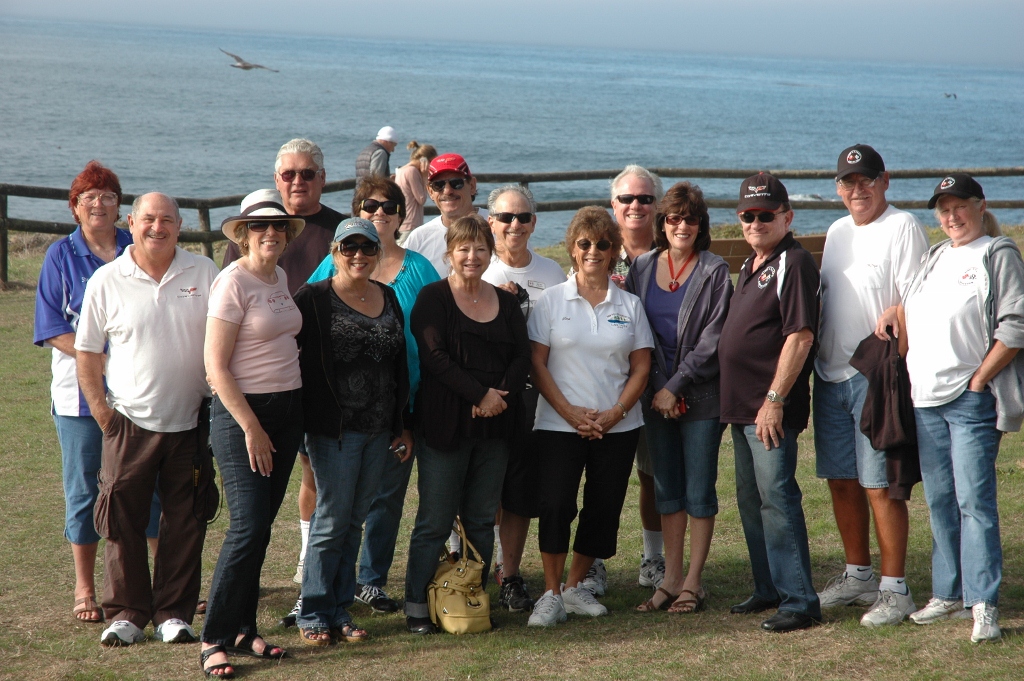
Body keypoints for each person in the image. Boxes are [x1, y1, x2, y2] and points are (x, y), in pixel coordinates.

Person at [75, 192, 219, 646]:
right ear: (131, 222)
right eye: (148, 220)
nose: (158, 228)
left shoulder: (205, 271)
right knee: (121, 521)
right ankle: (128, 613)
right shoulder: (107, 279)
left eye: (167, 221)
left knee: (186, 520)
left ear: (180, 226)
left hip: (192, 422)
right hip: (129, 423)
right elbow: (87, 352)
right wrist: (104, 415)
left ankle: (173, 613)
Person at [896, 174, 1022, 643]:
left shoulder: (997, 253)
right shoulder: (935, 255)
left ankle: (983, 602)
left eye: (958, 207)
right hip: (925, 400)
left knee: (975, 502)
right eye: (942, 209)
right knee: (940, 500)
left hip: (969, 400)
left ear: (978, 205)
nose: (951, 217)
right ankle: (948, 594)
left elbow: (1016, 323)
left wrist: (981, 378)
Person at [33, 161, 160, 624]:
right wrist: (101, 359)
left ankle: (162, 581)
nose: (99, 204)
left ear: (121, 208)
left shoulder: (137, 247)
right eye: (90, 197)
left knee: (150, 487)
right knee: (85, 490)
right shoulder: (60, 256)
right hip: (79, 397)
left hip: (142, 392)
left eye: (108, 196)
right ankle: (85, 586)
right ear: (75, 207)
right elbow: (50, 328)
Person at [305, 177, 439, 615]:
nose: (378, 212)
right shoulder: (322, 284)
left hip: (396, 411)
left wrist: (408, 414)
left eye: (388, 206)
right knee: (334, 516)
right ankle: (317, 605)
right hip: (337, 422)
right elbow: (292, 336)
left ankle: (360, 590)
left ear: (402, 217)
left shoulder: (407, 278)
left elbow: (424, 341)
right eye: (369, 205)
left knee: (372, 507)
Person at [813, 144, 929, 627]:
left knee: (880, 485)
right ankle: (858, 573)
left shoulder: (903, 227)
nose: (856, 189)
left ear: (885, 181)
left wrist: (897, 325)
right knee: (841, 480)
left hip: (874, 375)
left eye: (865, 180)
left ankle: (894, 588)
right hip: (828, 372)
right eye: (847, 182)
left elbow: (919, 300)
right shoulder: (838, 231)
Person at [223, 139, 345, 588]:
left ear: (322, 179)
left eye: (307, 173)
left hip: (322, 373)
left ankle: (312, 556)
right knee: (270, 487)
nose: (298, 181)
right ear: (277, 180)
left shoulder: (337, 230)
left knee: (320, 470)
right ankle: (279, 566)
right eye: (289, 174)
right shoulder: (253, 232)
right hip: (261, 380)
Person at [526, 206, 654, 627]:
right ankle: (549, 592)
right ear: (572, 248)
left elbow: (641, 367)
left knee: (604, 507)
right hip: (558, 425)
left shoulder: (630, 305)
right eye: (585, 244)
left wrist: (615, 413)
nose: (593, 251)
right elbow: (538, 365)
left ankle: (574, 587)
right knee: (556, 505)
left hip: (617, 427)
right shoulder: (549, 302)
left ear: (615, 250)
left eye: (603, 244)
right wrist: (570, 412)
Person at [403, 215, 531, 634]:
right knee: (435, 520)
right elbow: (434, 357)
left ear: (490, 253)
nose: (471, 256)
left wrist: (497, 398)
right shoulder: (432, 298)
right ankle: (417, 604)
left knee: (479, 518)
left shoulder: (506, 302)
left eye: (479, 249)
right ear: (449, 253)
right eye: (463, 249)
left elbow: (521, 358)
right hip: (445, 426)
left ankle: (472, 598)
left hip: (495, 427)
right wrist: (479, 395)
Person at [198, 191, 306, 678]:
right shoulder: (232, 282)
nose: (270, 235)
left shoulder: (279, 276)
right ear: (243, 234)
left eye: (278, 228)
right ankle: (214, 639)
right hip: (244, 416)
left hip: (287, 412)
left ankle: (243, 628)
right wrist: (251, 427)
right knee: (245, 528)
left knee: (261, 528)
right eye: (259, 228)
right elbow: (216, 368)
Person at [293, 218, 411, 645]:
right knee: (331, 520)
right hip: (333, 431)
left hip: (379, 429)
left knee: (354, 521)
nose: (358, 255)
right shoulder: (313, 298)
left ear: (378, 253)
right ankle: (314, 612)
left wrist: (401, 424)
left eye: (367, 247)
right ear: (334, 253)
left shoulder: (390, 296)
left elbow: (397, 366)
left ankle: (340, 609)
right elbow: (292, 358)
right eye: (349, 248)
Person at [717, 173, 822, 632]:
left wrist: (775, 400)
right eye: (748, 215)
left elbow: (800, 336)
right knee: (750, 498)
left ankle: (799, 600)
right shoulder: (753, 263)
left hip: (769, 409)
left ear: (787, 217)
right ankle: (768, 588)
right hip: (741, 408)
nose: (755, 222)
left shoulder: (793, 263)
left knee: (777, 497)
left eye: (765, 215)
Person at [626, 182, 732, 613]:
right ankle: (669, 579)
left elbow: (714, 338)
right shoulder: (643, 267)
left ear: (701, 225)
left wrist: (677, 384)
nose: (682, 225)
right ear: (662, 223)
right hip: (654, 396)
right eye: (674, 218)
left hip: (700, 396)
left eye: (691, 219)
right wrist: (657, 388)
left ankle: (693, 581)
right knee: (666, 487)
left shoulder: (715, 271)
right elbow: (634, 328)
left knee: (698, 489)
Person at [482, 184, 567, 612]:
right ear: (489, 222)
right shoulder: (476, 267)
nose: (514, 225)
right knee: (481, 487)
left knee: (517, 491)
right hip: (483, 398)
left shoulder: (553, 273)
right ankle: (472, 571)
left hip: (534, 399)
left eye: (523, 217)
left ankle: (510, 573)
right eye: (505, 217)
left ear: (534, 222)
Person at [584, 165, 665, 596]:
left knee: (653, 476)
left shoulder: (672, 253)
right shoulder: (596, 251)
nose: (636, 206)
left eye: (645, 199)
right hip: (601, 389)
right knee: (600, 478)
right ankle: (593, 561)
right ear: (613, 204)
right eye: (627, 199)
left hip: (657, 390)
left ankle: (654, 558)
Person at [404, 153, 489, 278]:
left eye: (456, 183)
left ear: (472, 186)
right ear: (430, 192)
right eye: (438, 185)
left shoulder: (498, 226)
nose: (447, 191)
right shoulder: (418, 239)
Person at [394, 140, 438, 241]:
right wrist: (424, 177)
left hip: (403, 223)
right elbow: (421, 199)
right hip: (411, 224)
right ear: (424, 160)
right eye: (432, 162)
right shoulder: (412, 171)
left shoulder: (401, 170)